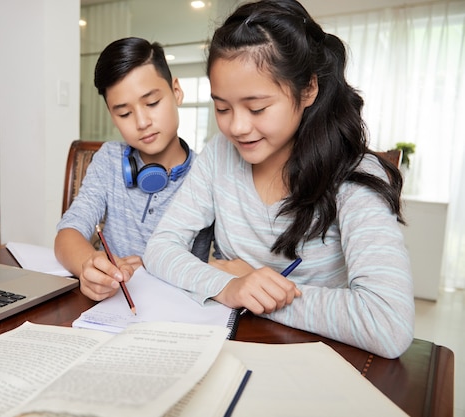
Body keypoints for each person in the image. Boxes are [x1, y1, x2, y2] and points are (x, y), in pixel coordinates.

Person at [143, 0, 414, 359]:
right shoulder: (219, 154)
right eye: (222, 108)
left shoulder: (355, 176)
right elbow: (160, 248)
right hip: (232, 348)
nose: (236, 127)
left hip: (315, 360)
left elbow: (388, 322)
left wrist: (254, 286)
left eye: (257, 108)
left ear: (308, 90)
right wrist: (230, 285)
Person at [55, 37, 213, 302]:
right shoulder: (109, 159)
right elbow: (67, 234)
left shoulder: (207, 174)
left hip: (179, 308)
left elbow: (225, 267)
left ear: (177, 92)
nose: (142, 122)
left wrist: (157, 267)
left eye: (152, 103)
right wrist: (90, 264)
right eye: (124, 114)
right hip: (114, 305)